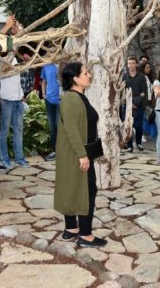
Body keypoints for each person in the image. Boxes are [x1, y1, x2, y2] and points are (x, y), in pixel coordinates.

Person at [53, 62, 107, 248]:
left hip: (78, 152)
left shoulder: (78, 97)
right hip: (77, 154)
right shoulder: (70, 99)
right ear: (75, 78)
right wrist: (82, 155)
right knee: (87, 191)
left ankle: (71, 228)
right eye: (85, 73)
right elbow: (71, 130)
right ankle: (85, 235)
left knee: (73, 187)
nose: (89, 75)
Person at [123, 56, 147, 152]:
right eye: (129, 63)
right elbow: (122, 91)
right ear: (127, 64)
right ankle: (129, 145)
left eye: (133, 63)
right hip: (127, 105)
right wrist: (129, 103)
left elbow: (143, 92)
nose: (131, 65)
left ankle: (139, 143)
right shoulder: (124, 76)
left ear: (136, 64)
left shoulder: (141, 77)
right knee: (128, 125)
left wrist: (136, 103)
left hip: (139, 105)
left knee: (138, 126)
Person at [41, 62, 61, 161]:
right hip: (49, 100)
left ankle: (60, 151)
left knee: (59, 126)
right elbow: (44, 81)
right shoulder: (46, 66)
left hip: (60, 101)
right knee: (52, 127)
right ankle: (54, 151)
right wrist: (44, 94)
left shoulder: (63, 64)